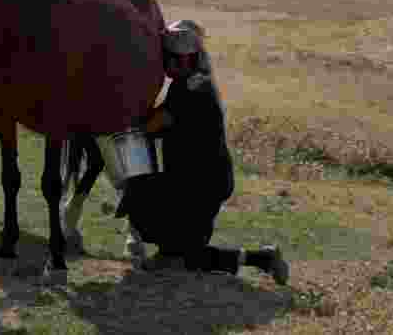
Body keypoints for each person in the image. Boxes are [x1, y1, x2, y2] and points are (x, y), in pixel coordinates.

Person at [115, 20, 290, 285]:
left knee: (143, 199)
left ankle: (262, 258)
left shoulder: (191, 88)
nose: (171, 63)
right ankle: (175, 252)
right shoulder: (191, 83)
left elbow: (151, 125)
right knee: (184, 251)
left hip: (201, 185)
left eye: (174, 58)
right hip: (193, 181)